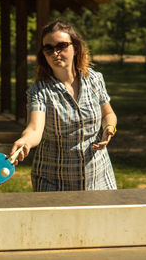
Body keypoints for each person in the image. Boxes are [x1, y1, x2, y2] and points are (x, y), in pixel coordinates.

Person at [10, 19, 117, 191]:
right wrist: (24, 141)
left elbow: (108, 114)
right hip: (54, 181)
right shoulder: (39, 90)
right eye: (49, 48)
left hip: (99, 176)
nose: (55, 53)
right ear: (43, 54)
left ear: (75, 47)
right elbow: (34, 130)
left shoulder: (95, 80)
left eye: (61, 46)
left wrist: (109, 128)